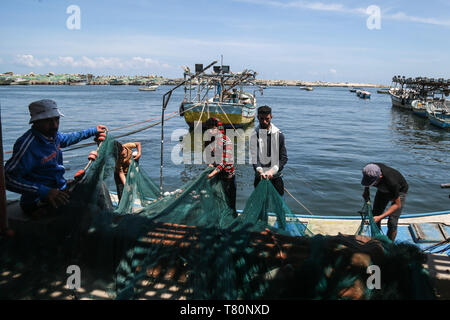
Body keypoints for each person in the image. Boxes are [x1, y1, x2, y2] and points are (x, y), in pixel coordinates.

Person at [5, 99, 107, 217]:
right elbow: (7, 179)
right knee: (87, 212)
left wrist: (93, 131)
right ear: (36, 122)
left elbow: (68, 138)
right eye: (48, 121)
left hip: (59, 190)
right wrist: (44, 191)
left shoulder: (52, 136)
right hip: (38, 201)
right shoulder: (28, 145)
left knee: (98, 190)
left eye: (56, 119)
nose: (54, 125)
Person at [361, 163, 409, 241]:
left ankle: (389, 245)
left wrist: (380, 217)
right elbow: (367, 180)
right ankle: (377, 239)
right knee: (375, 215)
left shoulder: (392, 182)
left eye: (373, 183)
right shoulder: (370, 169)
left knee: (392, 222)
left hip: (399, 191)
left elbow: (397, 205)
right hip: (382, 189)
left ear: (380, 176)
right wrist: (366, 190)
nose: (372, 184)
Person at [251, 105, 288, 196]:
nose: (264, 121)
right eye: (261, 118)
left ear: (271, 117)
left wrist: (272, 171)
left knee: (278, 205)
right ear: (257, 117)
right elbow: (255, 158)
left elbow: (283, 158)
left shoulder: (279, 135)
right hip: (260, 177)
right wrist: (261, 171)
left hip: (276, 177)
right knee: (261, 205)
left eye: (267, 119)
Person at [204, 117, 236, 215]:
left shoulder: (226, 141)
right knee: (216, 201)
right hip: (216, 176)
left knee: (229, 202)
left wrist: (211, 173)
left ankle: (231, 218)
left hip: (227, 177)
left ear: (219, 128)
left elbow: (224, 162)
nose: (211, 131)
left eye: (214, 129)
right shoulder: (209, 140)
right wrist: (210, 164)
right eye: (209, 129)